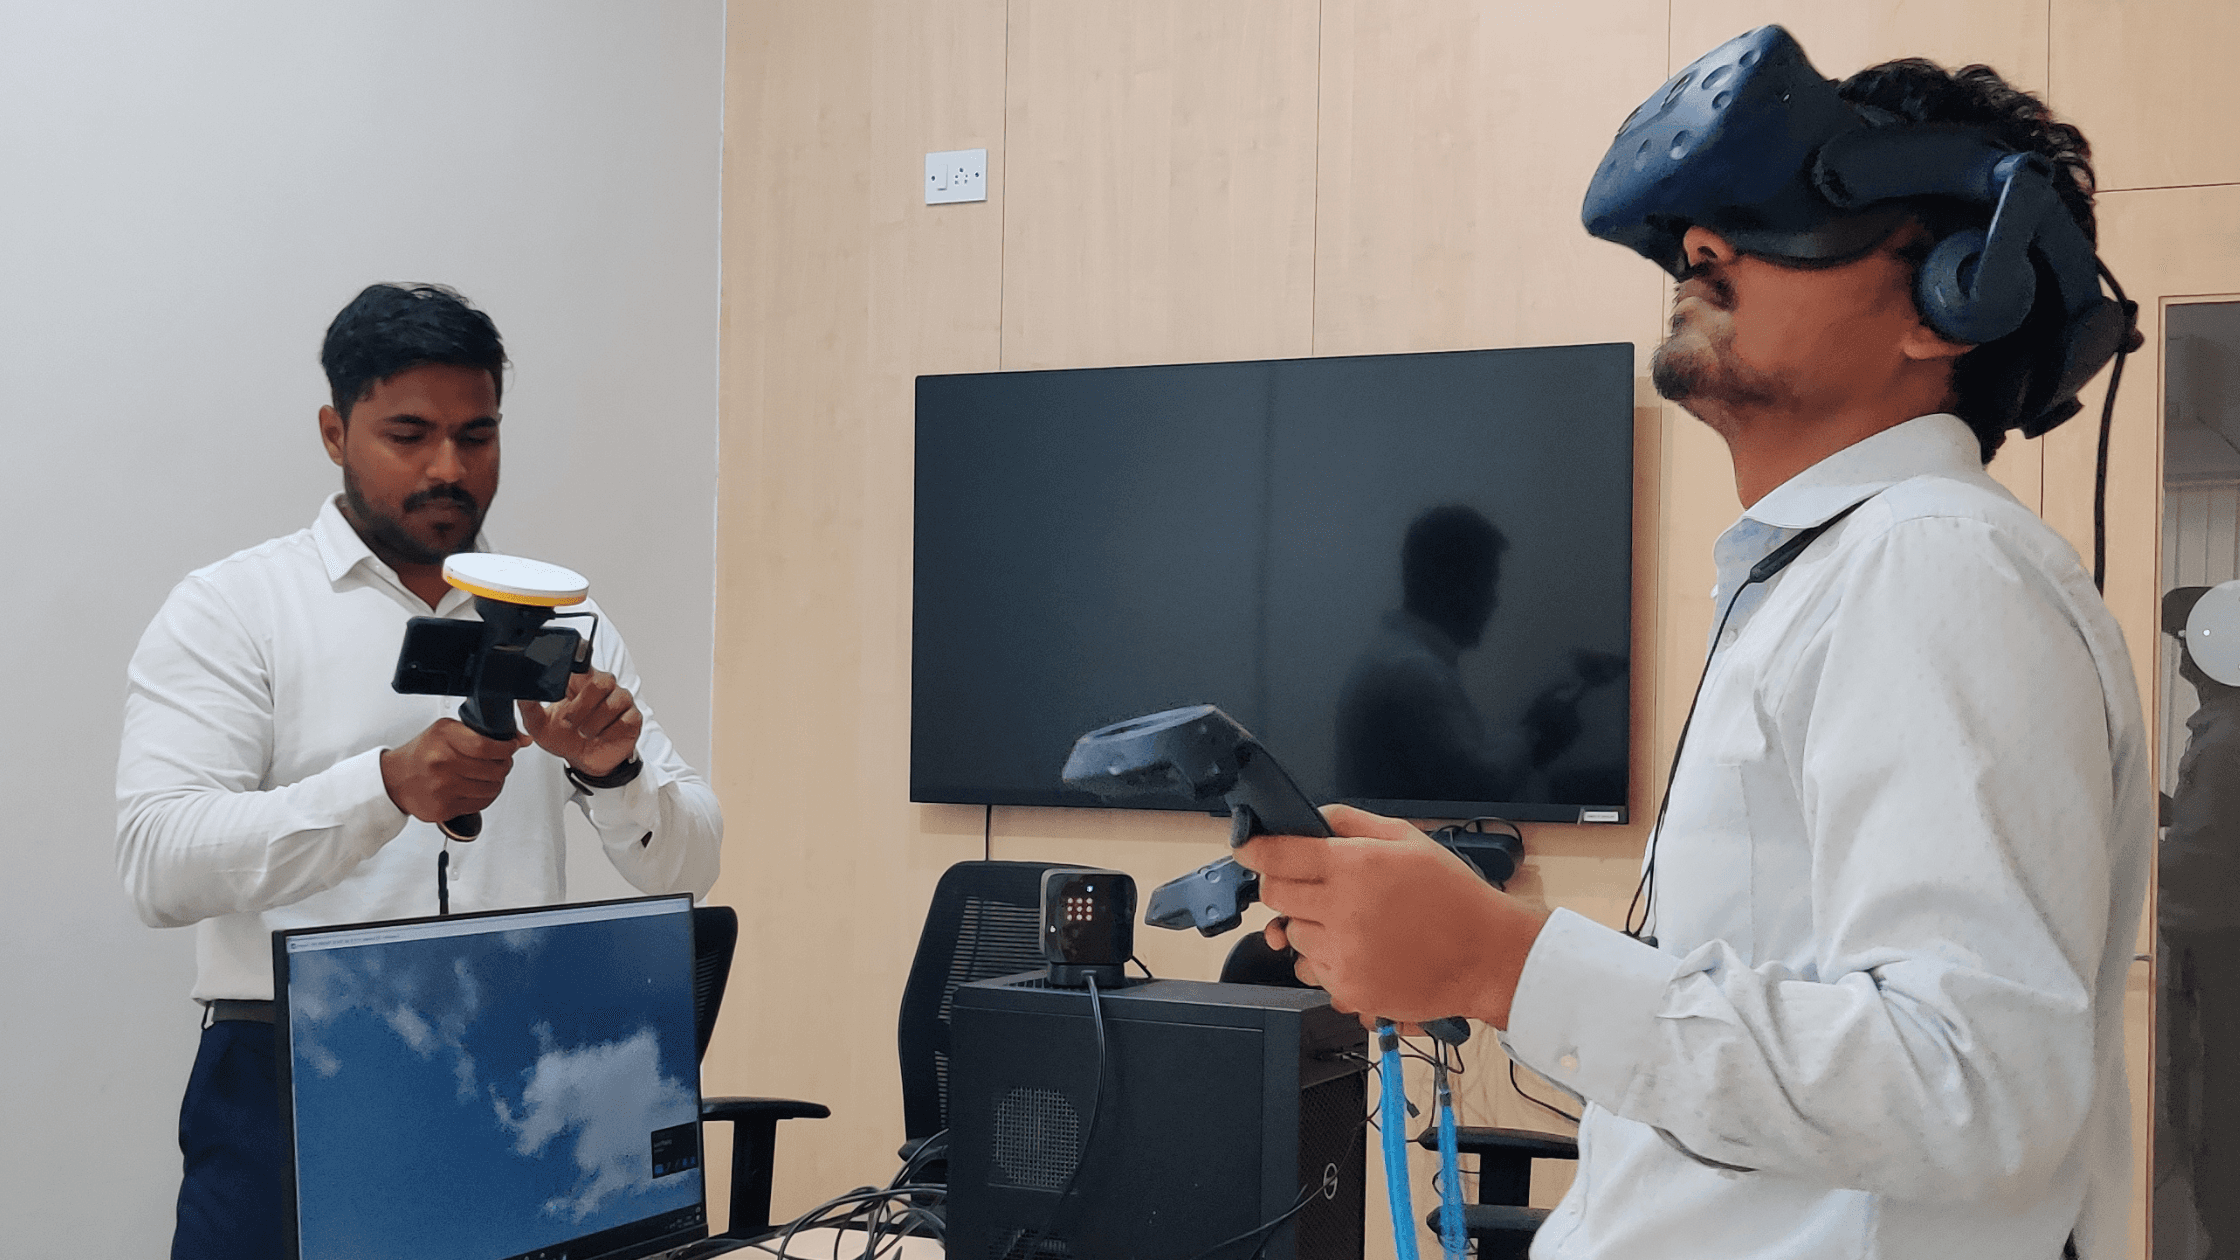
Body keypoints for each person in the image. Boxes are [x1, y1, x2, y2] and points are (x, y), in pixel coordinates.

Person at [1238, 54, 2150, 1260]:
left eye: (1790, 216)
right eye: (1698, 229)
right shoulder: (1826, 575)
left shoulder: (1930, 564)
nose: (1701, 249)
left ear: (1952, 295)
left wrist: (1499, 962)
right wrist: (1480, 949)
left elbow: (1972, 1088)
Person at [115, 282, 725, 1260]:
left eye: (477, 435)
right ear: (333, 429)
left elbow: (687, 865)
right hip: (294, 1067)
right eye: (409, 434)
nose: (449, 468)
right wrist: (384, 789)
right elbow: (159, 865)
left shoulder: (563, 617)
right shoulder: (233, 609)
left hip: (520, 1060)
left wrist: (616, 776)